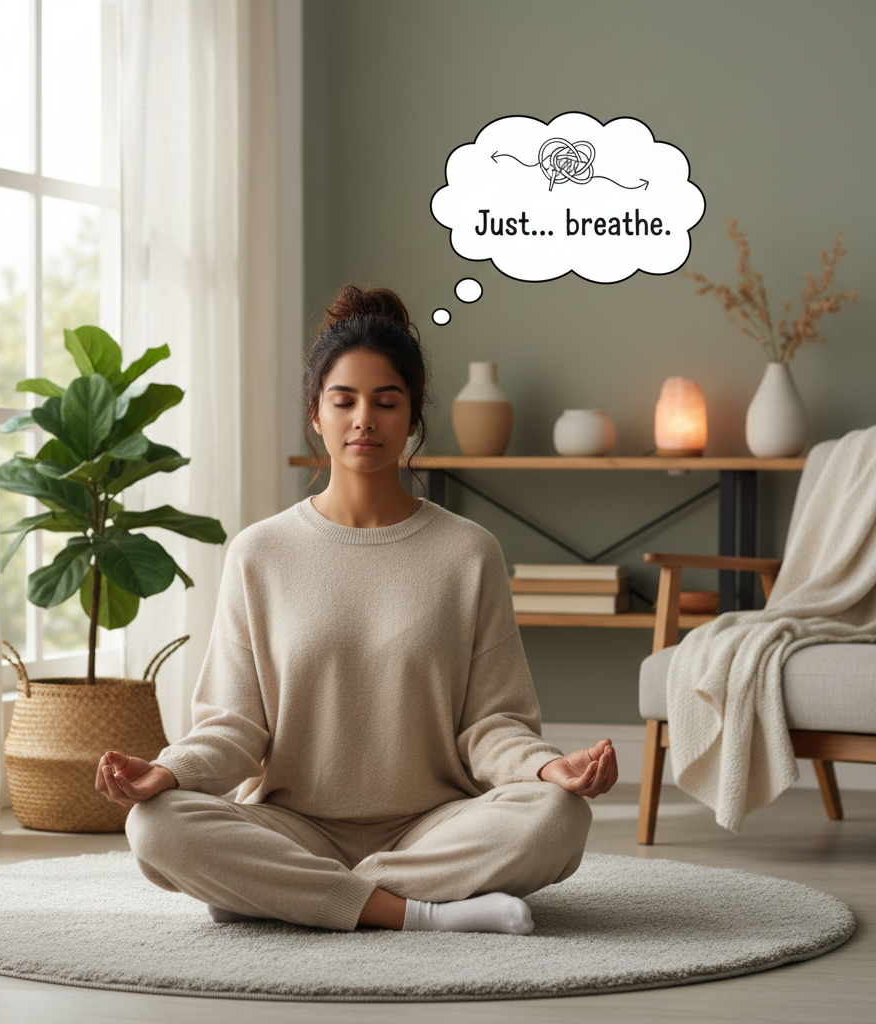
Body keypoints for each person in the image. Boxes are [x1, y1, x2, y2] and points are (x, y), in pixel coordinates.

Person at [96, 285, 617, 935]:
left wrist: (547, 767)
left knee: (559, 817)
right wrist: (167, 770)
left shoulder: (467, 552)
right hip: (293, 824)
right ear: (316, 414)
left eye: (386, 402)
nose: (363, 420)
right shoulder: (260, 553)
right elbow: (234, 729)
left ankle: (286, 895)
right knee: (155, 824)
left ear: (413, 417)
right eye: (343, 401)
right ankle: (417, 913)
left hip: (434, 825)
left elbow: (492, 725)